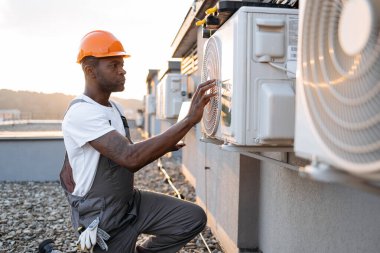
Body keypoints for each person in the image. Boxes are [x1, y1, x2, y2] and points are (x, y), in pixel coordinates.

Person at [60, 30, 216, 253]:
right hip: (104, 217)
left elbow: (128, 150)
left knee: (192, 218)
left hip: (130, 203)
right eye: (113, 65)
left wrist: (164, 144)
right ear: (90, 70)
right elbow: (129, 157)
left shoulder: (115, 109)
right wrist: (190, 119)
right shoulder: (82, 113)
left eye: (121, 64)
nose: (122, 70)